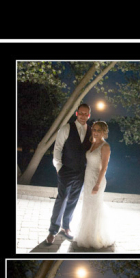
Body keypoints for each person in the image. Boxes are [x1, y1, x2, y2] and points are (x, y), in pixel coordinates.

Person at [46, 104, 92, 245]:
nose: (83, 116)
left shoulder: (91, 131)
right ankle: (52, 231)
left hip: (82, 172)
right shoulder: (66, 128)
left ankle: (66, 227)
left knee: (73, 200)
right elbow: (58, 148)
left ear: (89, 115)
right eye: (81, 113)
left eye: (86, 114)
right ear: (77, 113)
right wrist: (59, 167)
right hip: (66, 170)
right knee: (62, 199)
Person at [74, 121, 115, 249]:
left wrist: (97, 184)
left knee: (95, 206)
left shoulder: (105, 146)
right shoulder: (92, 144)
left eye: (98, 130)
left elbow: (104, 168)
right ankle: (85, 235)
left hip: (97, 179)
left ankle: (95, 237)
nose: (95, 132)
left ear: (104, 132)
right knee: (87, 205)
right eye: (94, 129)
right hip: (87, 178)